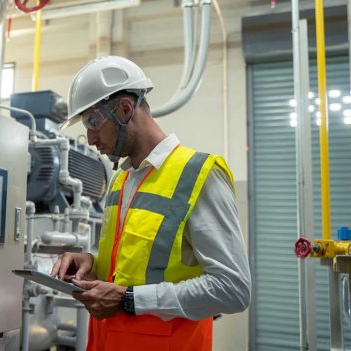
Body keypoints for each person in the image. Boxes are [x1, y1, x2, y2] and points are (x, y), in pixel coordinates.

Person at [51, 56, 251, 351]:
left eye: (93, 122)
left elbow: (233, 289)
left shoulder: (198, 175)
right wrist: (92, 262)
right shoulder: (121, 180)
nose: (91, 138)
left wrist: (128, 299)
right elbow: (135, 262)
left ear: (125, 108)